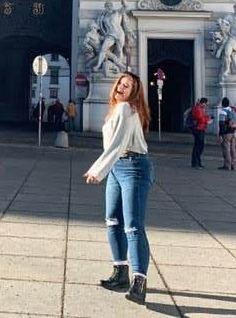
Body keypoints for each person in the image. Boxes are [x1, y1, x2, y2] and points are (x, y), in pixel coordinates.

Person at [84, 72, 154, 306]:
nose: (121, 88)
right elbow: (114, 146)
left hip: (134, 167)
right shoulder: (117, 109)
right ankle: (120, 273)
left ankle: (139, 283)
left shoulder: (126, 109)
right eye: (120, 84)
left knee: (133, 226)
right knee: (112, 220)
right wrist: (106, 168)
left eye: (128, 86)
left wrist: (97, 170)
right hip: (118, 166)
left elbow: (119, 143)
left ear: (134, 93)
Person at [218, 97, 236, 171]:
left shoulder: (223, 111)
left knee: (226, 149)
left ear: (222, 103)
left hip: (226, 133)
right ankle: (233, 164)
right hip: (233, 132)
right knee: (233, 149)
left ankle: (227, 165)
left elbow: (221, 124)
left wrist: (220, 135)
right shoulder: (232, 110)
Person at [190, 97, 210, 169]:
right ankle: (196, 163)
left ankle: (197, 162)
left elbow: (202, 117)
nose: (206, 106)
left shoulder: (200, 108)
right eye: (206, 104)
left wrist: (207, 118)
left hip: (201, 129)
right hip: (198, 129)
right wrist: (206, 121)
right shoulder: (197, 108)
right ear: (203, 103)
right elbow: (199, 118)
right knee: (198, 147)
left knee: (199, 146)